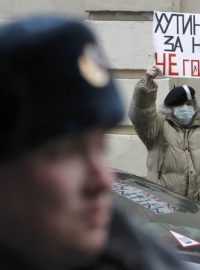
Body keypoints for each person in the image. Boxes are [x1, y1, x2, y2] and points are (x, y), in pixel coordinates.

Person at [0, 17, 186, 270]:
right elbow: (144, 116)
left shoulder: (135, 253)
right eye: (65, 153)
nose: (103, 181)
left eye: (100, 147)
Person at [129, 65, 200, 202]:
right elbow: (142, 113)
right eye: (180, 105)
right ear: (171, 109)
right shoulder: (158, 127)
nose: (186, 108)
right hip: (165, 205)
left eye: (189, 104)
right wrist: (147, 83)